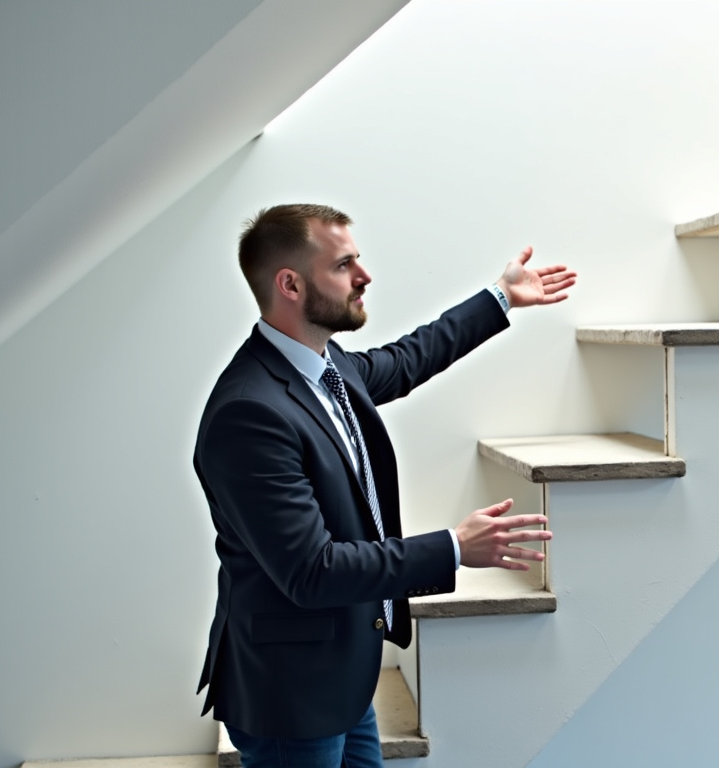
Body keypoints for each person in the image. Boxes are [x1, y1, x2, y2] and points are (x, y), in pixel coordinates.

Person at [193, 203, 575, 767]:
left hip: (342, 674)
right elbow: (312, 570)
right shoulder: (250, 412)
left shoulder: (327, 368)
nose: (364, 276)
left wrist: (501, 297)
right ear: (290, 284)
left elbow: (407, 359)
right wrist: (453, 548)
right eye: (343, 264)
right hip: (291, 697)